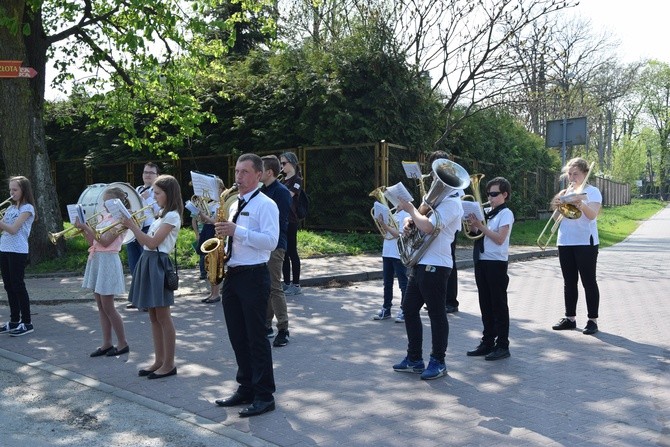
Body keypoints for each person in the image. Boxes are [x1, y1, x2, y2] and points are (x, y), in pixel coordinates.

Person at [214, 153, 279, 417]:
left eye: (244, 172)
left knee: (256, 338)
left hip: (254, 275)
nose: (238, 177)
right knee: (237, 336)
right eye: (237, 172)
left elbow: (271, 241)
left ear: (258, 175)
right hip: (233, 274)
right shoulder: (233, 203)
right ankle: (246, 387)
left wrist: (236, 231)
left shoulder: (266, 204)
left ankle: (265, 395)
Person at [392, 163, 464, 380]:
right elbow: (419, 222)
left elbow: (429, 227)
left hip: (437, 264)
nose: (435, 183)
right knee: (409, 307)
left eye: (438, 180)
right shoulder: (435, 202)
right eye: (435, 178)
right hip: (421, 261)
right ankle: (414, 358)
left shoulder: (453, 204)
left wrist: (411, 211)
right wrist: (408, 221)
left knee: (436, 312)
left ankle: (438, 361)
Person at [121, 174, 183, 379]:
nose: (153, 196)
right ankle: (159, 360)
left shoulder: (172, 216)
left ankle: (169, 363)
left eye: (157, 193)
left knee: (163, 317)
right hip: (148, 262)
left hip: (158, 264)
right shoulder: (161, 214)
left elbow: (152, 243)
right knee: (153, 316)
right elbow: (144, 242)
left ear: (168, 194)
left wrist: (132, 226)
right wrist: (133, 228)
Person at [75, 187, 130, 357]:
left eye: (106, 202)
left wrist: (88, 227)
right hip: (97, 258)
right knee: (100, 305)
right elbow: (93, 241)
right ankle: (106, 343)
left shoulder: (121, 220)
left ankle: (122, 343)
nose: (103, 205)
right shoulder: (104, 218)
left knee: (108, 306)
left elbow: (106, 242)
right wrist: (83, 230)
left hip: (108, 260)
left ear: (115, 203)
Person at [550, 157, 602, 335]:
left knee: (588, 281)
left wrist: (581, 203)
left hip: (585, 242)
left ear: (585, 174)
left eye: (576, 174)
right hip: (565, 240)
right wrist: (559, 203)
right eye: (569, 174)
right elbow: (557, 217)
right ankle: (570, 318)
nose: (572, 177)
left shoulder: (592, 192)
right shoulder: (565, 191)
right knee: (569, 281)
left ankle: (592, 320)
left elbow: (592, 215)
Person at [465, 177, 514, 360]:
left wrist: (480, 227)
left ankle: (503, 345)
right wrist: (473, 226)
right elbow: (476, 234)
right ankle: (487, 342)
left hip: (496, 263)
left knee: (498, 305)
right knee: (485, 303)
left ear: (504, 195)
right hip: (481, 260)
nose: (490, 197)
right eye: (488, 194)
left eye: (494, 194)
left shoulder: (506, 213)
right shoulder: (485, 212)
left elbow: (499, 239)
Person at [421, 150, 460, 313]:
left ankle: (450, 301)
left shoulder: (454, 182)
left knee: (448, 260)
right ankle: (435, 299)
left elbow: (454, 201)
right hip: (435, 222)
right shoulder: (433, 183)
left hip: (448, 225)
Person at [260, 155, 292, 347]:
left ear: (269, 172)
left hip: (275, 244)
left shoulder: (281, 192)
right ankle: (266, 325)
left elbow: (277, 222)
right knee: (266, 286)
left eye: (259, 170)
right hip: (262, 245)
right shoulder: (262, 190)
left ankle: (283, 329)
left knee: (274, 286)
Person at [0, 176, 37, 337]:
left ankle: (27, 322)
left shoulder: (27, 209)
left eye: (15, 190)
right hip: (4, 248)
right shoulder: (10, 209)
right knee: (8, 285)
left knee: (18, 285)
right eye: (10, 189)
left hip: (18, 250)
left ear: (24, 190)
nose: (11, 193)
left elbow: (14, 229)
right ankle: (14, 320)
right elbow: (3, 229)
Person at [126, 162, 160, 309]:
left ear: (157, 176)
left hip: (147, 229)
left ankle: (147, 300)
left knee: (145, 264)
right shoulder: (137, 189)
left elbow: (160, 211)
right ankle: (137, 298)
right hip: (133, 229)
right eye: (145, 172)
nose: (147, 175)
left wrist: (148, 199)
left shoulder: (158, 192)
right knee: (134, 264)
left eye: (151, 173)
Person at [371, 208, 409, 323]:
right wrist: (381, 224)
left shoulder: (406, 215)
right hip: (387, 251)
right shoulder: (393, 214)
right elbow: (386, 233)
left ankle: (404, 310)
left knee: (403, 283)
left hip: (398, 253)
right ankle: (386, 309)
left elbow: (400, 234)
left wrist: (385, 225)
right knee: (387, 283)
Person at [193, 177, 224, 304]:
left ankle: (216, 294)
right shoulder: (211, 203)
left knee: (214, 263)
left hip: (214, 232)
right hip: (207, 231)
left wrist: (205, 216)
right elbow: (205, 221)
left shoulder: (220, 203)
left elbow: (216, 221)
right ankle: (212, 293)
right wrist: (200, 215)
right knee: (208, 263)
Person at [279, 152, 303, 296]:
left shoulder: (297, 180)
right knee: (284, 253)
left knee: (292, 251)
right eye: (280, 164)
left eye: (284, 163)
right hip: (281, 220)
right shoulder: (282, 180)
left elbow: (288, 195)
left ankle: (296, 284)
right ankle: (286, 283)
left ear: (292, 163)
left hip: (291, 220)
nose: (281, 166)